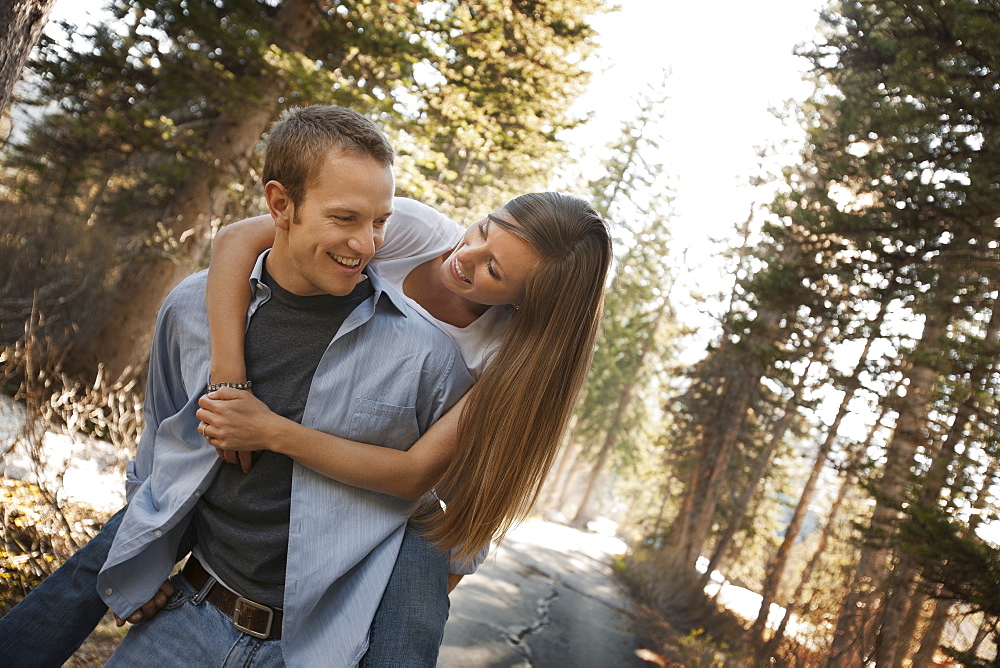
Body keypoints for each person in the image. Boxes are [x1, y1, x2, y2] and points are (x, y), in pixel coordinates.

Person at [0, 104, 474, 667]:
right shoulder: (192, 311)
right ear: (280, 205)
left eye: (379, 222)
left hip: (316, 651)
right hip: (183, 624)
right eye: (345, 218)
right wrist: (140, 556)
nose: (366, 245)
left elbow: (461, 501)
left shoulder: (427, 356)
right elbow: (161, 440)